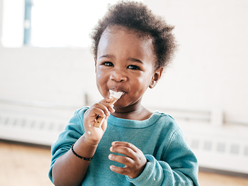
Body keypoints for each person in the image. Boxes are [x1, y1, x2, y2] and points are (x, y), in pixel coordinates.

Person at [49, 1, 199, 185]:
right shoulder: (82, 120)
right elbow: (61, 181)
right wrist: (87, 142)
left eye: (133, 66)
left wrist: (145, 171)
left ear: (154, 76)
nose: (118, 75)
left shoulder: (165, 131)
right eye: (107, 63)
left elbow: (188, 182)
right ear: (95, 64)